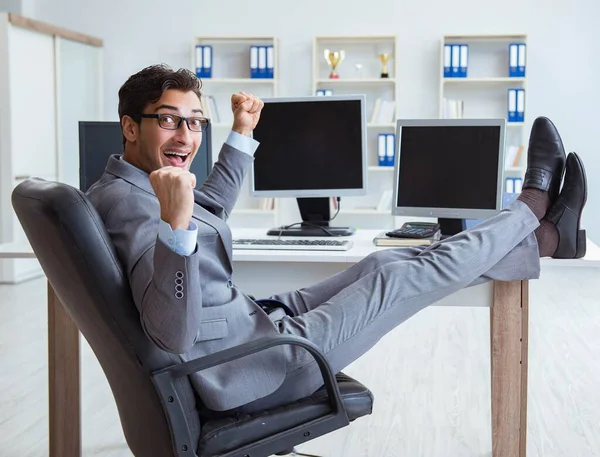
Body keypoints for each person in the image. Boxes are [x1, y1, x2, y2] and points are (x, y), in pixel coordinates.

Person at [86, 63, 588, 414]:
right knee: (410, 275)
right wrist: (177, 227)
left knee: (385, 263)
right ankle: (532, 212)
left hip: (252, 328)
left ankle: (543, 237)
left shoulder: (123, 184)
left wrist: (240, 131)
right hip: (252, 370)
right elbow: (171, 333)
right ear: (130, 126)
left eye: (195, 122)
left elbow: (210, 208)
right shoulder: (132, 207)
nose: (186, 136)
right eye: (169, 120)